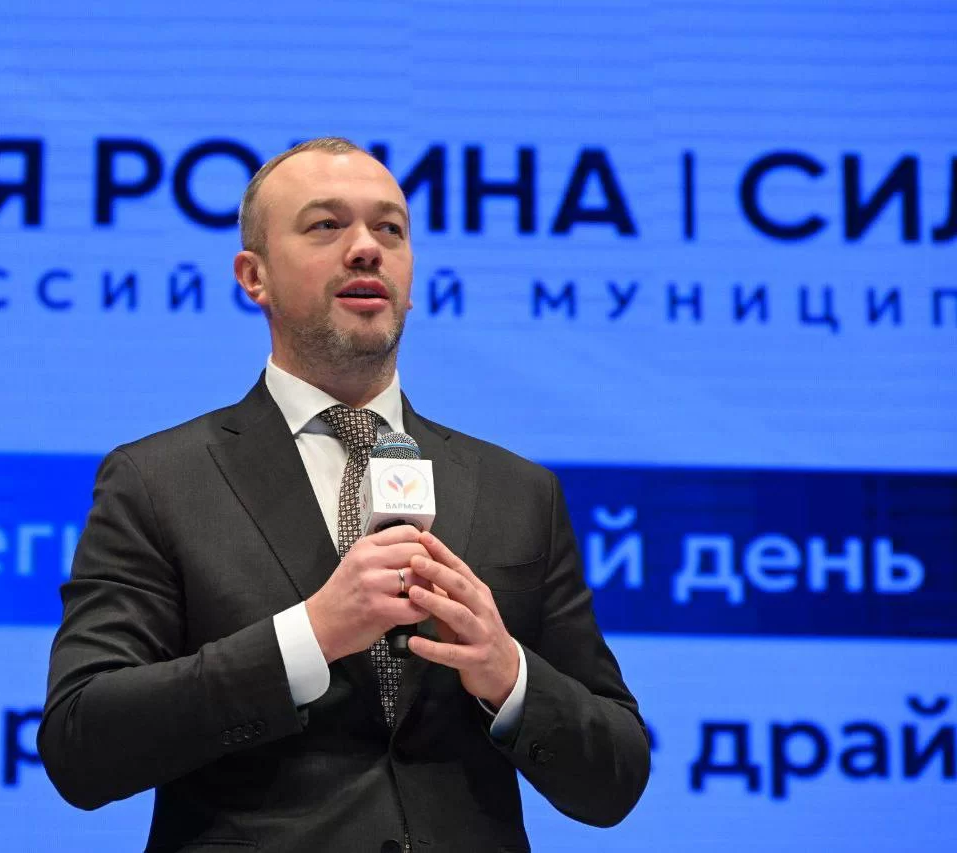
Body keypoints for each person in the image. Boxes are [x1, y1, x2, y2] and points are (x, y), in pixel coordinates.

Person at [38, 137, 650, 853]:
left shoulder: (519, 491)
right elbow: (82, 743)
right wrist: (311, 635)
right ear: (254, 276)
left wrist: (508, 674)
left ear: (410, 278)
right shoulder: (159, 480)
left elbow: (616, 776)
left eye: (390, 229)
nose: (366, 249)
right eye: (326, 225)